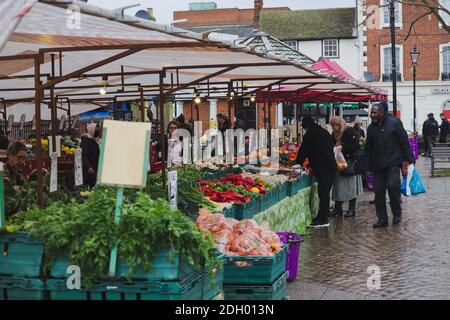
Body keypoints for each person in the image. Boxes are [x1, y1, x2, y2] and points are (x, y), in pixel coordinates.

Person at [366, 103, 415, 228]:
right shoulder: (371, 128)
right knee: (379, 192)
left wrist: (410, 159)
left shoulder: (394, 123)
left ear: (382, 112)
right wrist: (368, 165)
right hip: (378, 164)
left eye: (375, 112)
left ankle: (397, 213)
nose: (372, 115)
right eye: (371, 112)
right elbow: (369, 148)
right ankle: (382, 219)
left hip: (393, 162)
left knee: (393, 187)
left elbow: (404, 141)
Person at [296, 116, 336, 228]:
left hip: (323, 167)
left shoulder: (310, 134)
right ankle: (321, 215)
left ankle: (323, 219)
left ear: (305, 126)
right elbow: (328, 145)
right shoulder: (323, 131)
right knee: (325, 191)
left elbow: (303, 150)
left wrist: (297, 162)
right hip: (330, 165)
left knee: (323, 192)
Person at [329, 117, 363, 218]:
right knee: (338, 187)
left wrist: (342, 147)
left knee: (351, 187)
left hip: (350, 164)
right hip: (339, 164)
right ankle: (338, 208)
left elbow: (356, 146)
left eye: (334, 125)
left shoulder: (349, 131)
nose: (333, 128)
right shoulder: (334, 134)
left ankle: (351, 209)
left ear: (339, 124)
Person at [80, 123, 100, 188]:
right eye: (96, 130)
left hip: (94, 166)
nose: (97, 132)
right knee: (89, 183)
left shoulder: (93, 140)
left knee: (93, 183)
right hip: (89, 168)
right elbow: (84, 155)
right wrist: (88, 167)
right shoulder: (85, 141)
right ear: (92, 130)